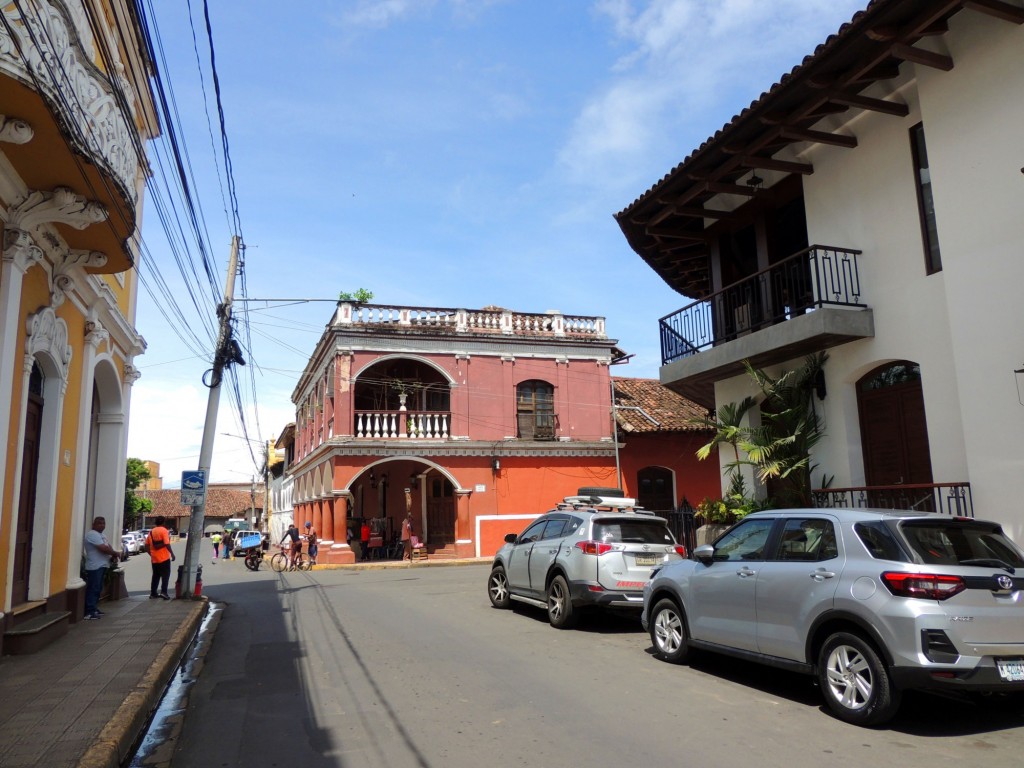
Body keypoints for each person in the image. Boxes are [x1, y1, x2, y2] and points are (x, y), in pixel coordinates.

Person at [83, 516, 120, 619]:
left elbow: (108, 546)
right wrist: (115, 553)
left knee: (98, 588)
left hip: (102, 565)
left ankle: (94, 608)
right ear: (93, 524)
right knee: (93, 588)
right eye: (99, 523)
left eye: (103, 523)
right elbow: (103, 548)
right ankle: (89, 612)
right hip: (94, 566)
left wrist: (113, 555)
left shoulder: (102, 535)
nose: (102, 525)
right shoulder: (92, 534)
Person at [147, 516, 176, 599]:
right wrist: (172, 554)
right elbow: (167, 543)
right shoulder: (164, 531)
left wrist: (152, 554)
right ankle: (164, 592)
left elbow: (146, 546)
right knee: (165, 576)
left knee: (155, 576)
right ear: (163, 522)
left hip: (154, 559)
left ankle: (153, 593)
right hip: (164, 558)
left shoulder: (151, 532)